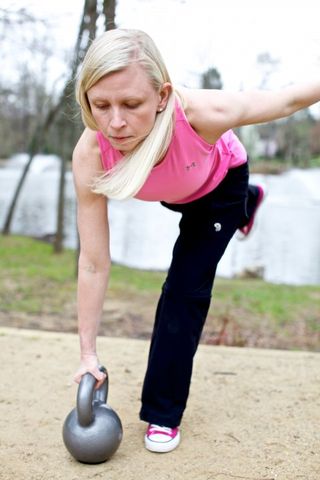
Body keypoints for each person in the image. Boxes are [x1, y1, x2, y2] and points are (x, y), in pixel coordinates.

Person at [72, 28, 320, 453]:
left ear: (163, 96)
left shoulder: (203, 113)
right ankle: (251, 203)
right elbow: (94, 262)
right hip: (176, 192)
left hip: (219, 189)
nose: (115, 122)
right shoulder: (91, 153)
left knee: (183, 291)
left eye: (132, 104)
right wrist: (87, 354)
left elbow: (287, 100)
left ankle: (163, 414)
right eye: (101, 105)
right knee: (184, 209)